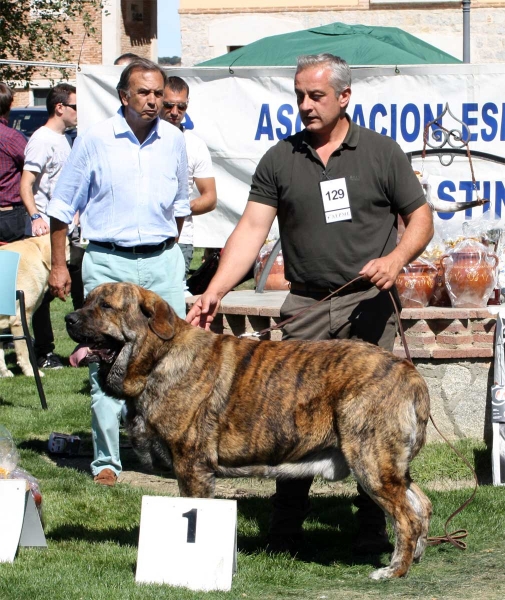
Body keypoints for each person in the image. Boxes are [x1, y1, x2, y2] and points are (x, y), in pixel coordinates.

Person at [186, 53, 434, 555]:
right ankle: (286, 528)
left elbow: (422, 219)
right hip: (305, 304)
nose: (305, 104)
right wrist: (214, 289)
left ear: (344, 97)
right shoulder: (281, 159)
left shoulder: (382, 153)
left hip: (368, 305)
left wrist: (396, 259)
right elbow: (251, 230)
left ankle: (373, 527)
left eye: (315, 95)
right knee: (288, 419)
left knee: (371, 424)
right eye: (299, 94)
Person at [47, 58, 190, 487]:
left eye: (158, 92)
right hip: (108, 261)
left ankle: (172, 451)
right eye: (143, 92)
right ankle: (107, 461)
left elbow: (179, 208)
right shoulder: (94, 140)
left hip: (162, 259)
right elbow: (60, 207)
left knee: (175, 356)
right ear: (123, 97)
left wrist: (166, 249)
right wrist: (59, 265)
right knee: (106, 360)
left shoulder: (174, 140)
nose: (153, 100)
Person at [20, 83, 80, 370]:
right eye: (75, 107)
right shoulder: (42, 140)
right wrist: (36, 217)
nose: (79, 113)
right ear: (60, 107)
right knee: (41, 296)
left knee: (79, 283)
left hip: (69, 231)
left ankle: (86, 345)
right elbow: (26, 184)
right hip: (46, 233)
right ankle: (43, 353)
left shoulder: (64, 139)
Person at [161, 76, 217, 288]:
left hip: (180, 237)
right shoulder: (141, 139)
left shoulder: (194, 145)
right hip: (144, 236)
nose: (175, 112)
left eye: (181, 106)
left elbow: (210, 198)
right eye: (168, 105)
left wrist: (180, 208)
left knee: (171, 307)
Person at [0, 82, 29, 243]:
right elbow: (32, 166)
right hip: (8, 215)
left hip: (7, 214)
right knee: (12, 264)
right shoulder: (11, 137)